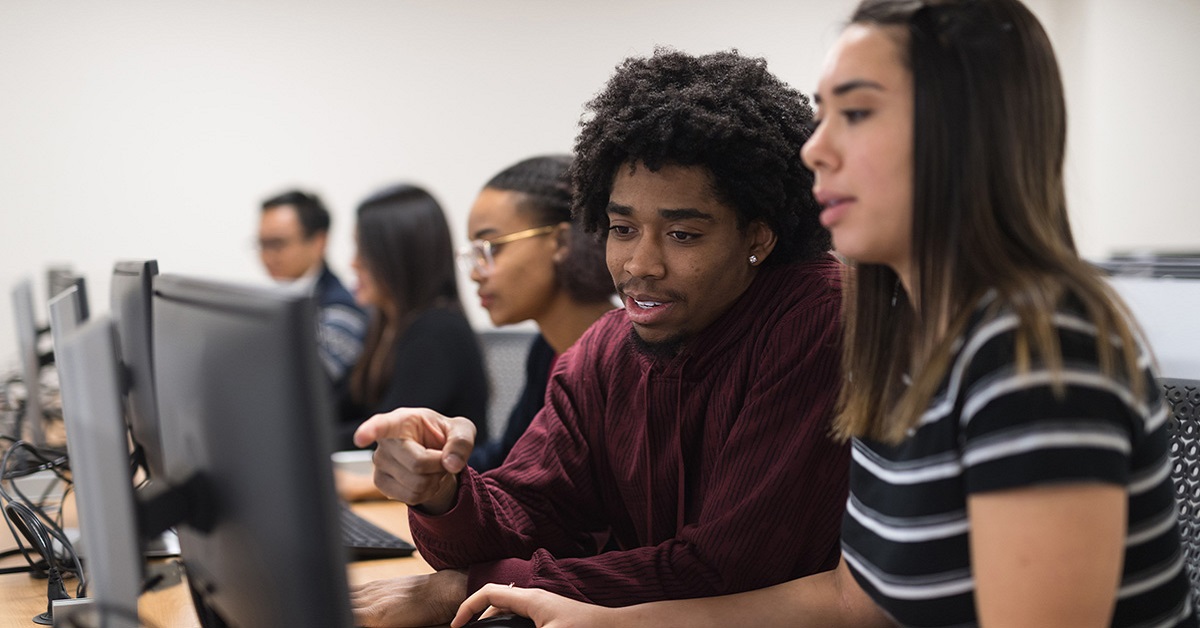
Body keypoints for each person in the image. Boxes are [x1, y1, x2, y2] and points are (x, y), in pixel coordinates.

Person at [450, 1, 1199, 627]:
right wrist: (607, 620)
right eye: (821, 117)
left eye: (858, 114)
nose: (817, 151)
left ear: (963, 137)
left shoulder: (1038, 347)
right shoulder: (904, 333)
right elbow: (853, 598)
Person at [350, 49, 849, 628]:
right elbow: (531, 512)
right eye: (622, 228)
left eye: (683, 234)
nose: (641, 264)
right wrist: (442, 493)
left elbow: (726, 572)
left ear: (757, 237)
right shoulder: (604, 351)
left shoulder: (817, 319)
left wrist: (470, 587)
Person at [463, 154, 615, 472]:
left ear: (560, 241)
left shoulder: (624, 360)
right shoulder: (546, 349)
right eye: (473, 254)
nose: (475, 274)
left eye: (491, 247)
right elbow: (509, 459)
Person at [335, 183, 489, 452]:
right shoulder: (385, 324)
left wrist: (298, 441)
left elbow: (383, 437)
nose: (353, 263)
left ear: (397, 257)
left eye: (364, 251)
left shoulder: (439, 333)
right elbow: (340, 407)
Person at [258, 190, 368, 390]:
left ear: (319, 242)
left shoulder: (341, 310)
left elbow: (308, 385)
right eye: (262, 244)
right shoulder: (275, 300)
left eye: (277, 243)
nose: (267, 255)